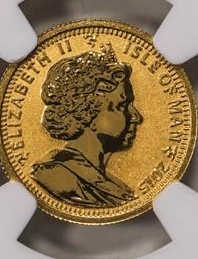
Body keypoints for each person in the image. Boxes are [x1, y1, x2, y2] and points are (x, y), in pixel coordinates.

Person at [32, 44, 143, 207]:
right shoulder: (56, 176)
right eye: (122, 105)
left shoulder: (118, 188)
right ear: (86, 111)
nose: (136, 117)